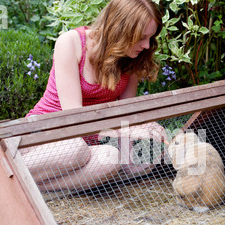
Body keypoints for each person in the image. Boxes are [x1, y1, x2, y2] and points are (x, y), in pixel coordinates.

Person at [22, 0, 167, 193]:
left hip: (90, 144)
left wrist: (145, 126)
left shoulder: (131, 59)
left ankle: (38, 188)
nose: (147, 45)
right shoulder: (71, 43)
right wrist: (124, 132)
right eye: (141, 37)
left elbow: (127, 114)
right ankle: (12, 179)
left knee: (128, 156)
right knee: (73, 150)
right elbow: (74, 120)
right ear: (120, 30)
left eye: (150, 38)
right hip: (47, 137)